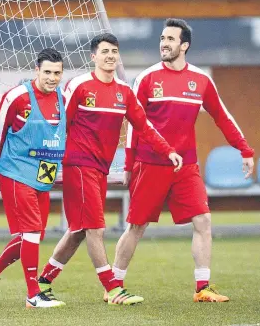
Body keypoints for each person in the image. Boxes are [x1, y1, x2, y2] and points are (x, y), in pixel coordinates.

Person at [111, 18, 255, 303]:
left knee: (203, 220)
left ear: (184, 45)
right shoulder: (147, 78)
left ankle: (202, 287)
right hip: (149, 164)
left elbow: (222, 117)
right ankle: (114, 284)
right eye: (162, 38)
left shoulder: (201, 80)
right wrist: (128, 166)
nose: (164, 43)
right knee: (137, 227)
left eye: (170, 39)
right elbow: (134, 125)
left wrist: (245, 150)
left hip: (186, 166)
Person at [37, 33, 183, 306]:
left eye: (114, 51)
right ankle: (113, 288)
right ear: (93, 56)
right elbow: (58, 126)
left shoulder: (124, 92)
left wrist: (168, 150)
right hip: (78, 165)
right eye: (105, 51)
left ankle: (43, 281)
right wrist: (48, 163)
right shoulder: (78, 85)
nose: (110, 56)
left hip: (100, 169)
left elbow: (144, 127)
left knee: (78, 230)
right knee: (95, 228)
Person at [0, 48, 67, 308]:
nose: (52, 77)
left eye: (57, 73)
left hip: (44, 174)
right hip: (16, 171)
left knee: (32, 237)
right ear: (36, 70)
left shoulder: (62, 97)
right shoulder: (16, 96)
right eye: (47, 72)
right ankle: (33, 294)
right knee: (29, 233)